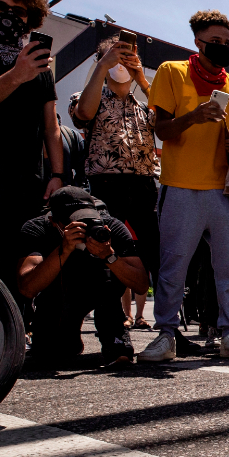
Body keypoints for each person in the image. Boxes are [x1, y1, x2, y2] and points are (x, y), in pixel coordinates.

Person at [140, 10, 229, 362]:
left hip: (222, 189)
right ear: (198, 41)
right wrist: (195, 116)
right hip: (179, 185)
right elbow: (161, 130)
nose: (223, 48)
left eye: (228, 43)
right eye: (216, 41)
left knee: (227, 267)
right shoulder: (171, 72)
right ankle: (166, 334)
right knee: (173, 264)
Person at [0, 0, 63, 293]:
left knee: (17, 257)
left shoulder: (41, 70)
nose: (8, 16)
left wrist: (57, 174)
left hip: (26, 178)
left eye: (18, 11)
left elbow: (51, 126)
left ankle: (10, 334)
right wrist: (17, 74)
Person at [72, 34, 160, 326]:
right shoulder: (90, 97)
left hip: (145, 185)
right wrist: (102, 66)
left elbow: (168, 122)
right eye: (116, 54)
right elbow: (82, 113)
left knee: (154, 254)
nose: (122, 60)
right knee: (106, 254)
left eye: (128, 54)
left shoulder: (145, 106)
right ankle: (111, 327)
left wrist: (143, 80)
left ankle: (167, 327)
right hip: (107, 184)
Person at [17, 187, 148, 367]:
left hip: (101, 290)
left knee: (108, 279)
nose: (85, 227)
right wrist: (63, 250)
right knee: (49, 354)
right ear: (55, 222)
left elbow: (141, 285)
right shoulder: (37, 229)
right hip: (57, 294)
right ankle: (67, 332)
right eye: (76, 222)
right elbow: (26, 288)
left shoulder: (111, 227)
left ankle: (115, 340)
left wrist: (109, 256)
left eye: (89, 219)